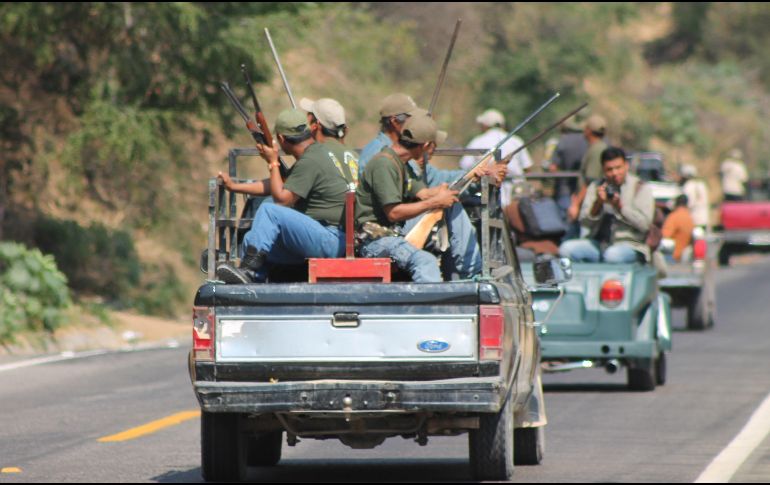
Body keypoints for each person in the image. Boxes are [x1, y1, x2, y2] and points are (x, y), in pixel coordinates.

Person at [215, 108, 356, 284]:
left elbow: (282, 200)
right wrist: (234, 186)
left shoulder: (310, 161)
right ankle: (251, 281)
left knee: (269, 210)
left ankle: (248, 269)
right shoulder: (316, 154)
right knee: (252, 240)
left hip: (331, 238)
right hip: (331, 237)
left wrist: (273, 162)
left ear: (281, 139)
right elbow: (280, 185)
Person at [356, 112, 482, 282]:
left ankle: (473, 273)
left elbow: (424, 193)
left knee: (452, 204)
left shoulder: (401, 163)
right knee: (426, 262)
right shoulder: (384, 164)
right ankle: (433, 306)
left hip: (392, 232)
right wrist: (437, 201)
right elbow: (393, 213)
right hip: (375, 241)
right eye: (433, 147)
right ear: (426, 145)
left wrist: (471, 176)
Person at [559, 146, 655, 264]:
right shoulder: (596, 187)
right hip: (600, 244)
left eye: (618, 168)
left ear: (626, 166)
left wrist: (620, 207)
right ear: (603, 170)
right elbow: (585, 223)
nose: (614, 173)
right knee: (566, 249)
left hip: (631, 245)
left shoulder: (640, 188)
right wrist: (598, 203)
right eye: (609, 169)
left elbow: (645, 225)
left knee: (612, 255)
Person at [459, 109, 534, 208]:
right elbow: (527, 168)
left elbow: (464, 168)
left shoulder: (477, 141)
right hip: (515, 197)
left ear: (485, 125)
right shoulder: (516, 141)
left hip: (486, 195)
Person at [548, 117, 589, 239]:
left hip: (564, 191)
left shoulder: (563, 141)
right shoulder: (588, 141)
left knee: (565, 226)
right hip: (584, 190)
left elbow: (552, 167)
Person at [566, 114, 608, 225]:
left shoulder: (597, 150)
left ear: (588, 130)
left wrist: (575, 204)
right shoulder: (597, 147)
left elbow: (590, 180)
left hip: (589, 203)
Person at [661, 195, 695, 263]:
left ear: (676, 203)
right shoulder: (690, 217)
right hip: (684, 256)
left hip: (673, 256)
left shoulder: (674, 217)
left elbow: (665, 236)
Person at [679, 164, 709, 228]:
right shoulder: (702, 184)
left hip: (693, 219)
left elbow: (688, 203)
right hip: (703, 219)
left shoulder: (688, 186)